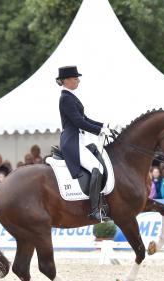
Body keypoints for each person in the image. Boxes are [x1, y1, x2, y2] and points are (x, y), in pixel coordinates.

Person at [57, 66, 116, 220]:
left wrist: (103, 126)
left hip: (81, 140)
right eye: (76, 78)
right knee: (97, 168)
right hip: (73, 142)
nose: (78, 81)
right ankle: (94, 210)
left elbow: (85, 118)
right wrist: (99, 131)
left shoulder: (71, 97)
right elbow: (78, 122)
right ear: (67, 80)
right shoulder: (65, 98)